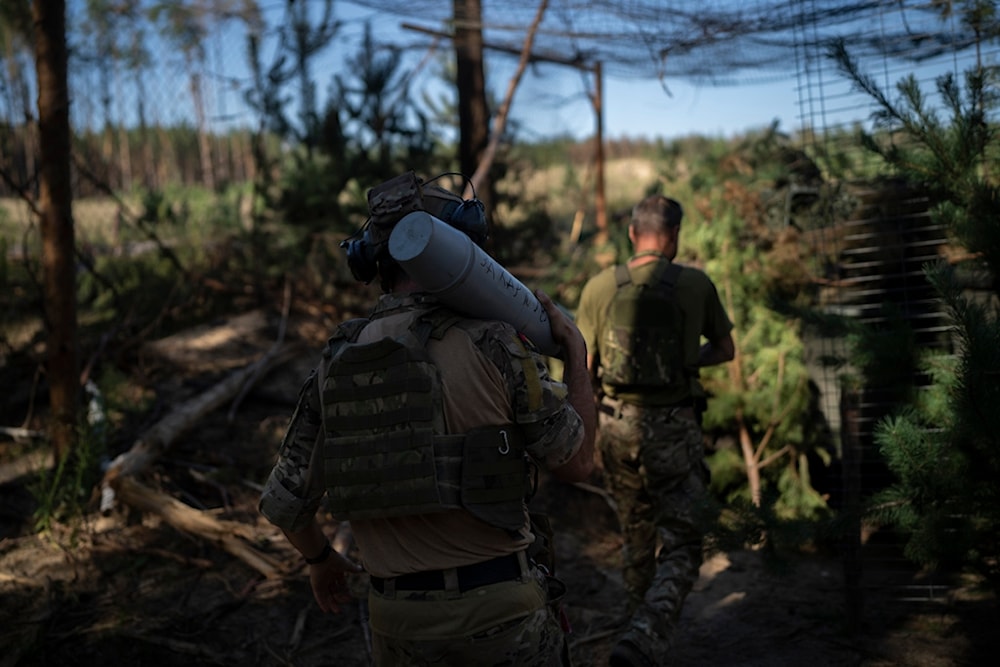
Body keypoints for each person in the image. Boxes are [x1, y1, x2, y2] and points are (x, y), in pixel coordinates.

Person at [259, 172, 596, 667]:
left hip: (398, 626)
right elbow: (578, 462)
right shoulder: (496, 344)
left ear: (373, 261)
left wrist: (320, 560)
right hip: (502, 616)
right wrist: (578, 357)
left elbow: (286, 503)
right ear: (459, 251)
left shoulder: (338, 360)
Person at [575, 194, 735, 667]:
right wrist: (688, 362)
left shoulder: (598, 288)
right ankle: (645, 636)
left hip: (616, 428)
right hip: (672, 430)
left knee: (636, 534)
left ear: (632, 234)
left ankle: (633, 628)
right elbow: (725, 349)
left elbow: (582, 369)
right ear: (674, 236)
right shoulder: (695, 285)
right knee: (685, 541)